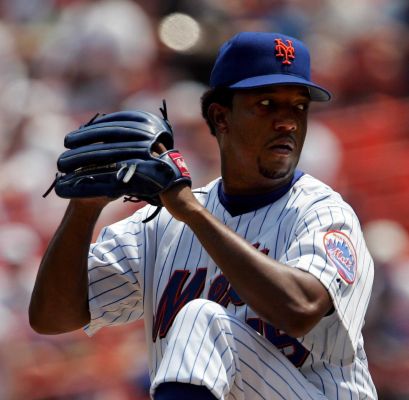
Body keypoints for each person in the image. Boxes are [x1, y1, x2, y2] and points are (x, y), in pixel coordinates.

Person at [29, 32, 378, 399]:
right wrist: (83, 210)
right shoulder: (162, 228)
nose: (287, 122)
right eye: (266, 103)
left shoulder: (323, 213)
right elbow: (52, 317)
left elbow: (300, 309)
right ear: (220, 117)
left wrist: (192, 213)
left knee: (204, 320)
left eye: (298, 106)